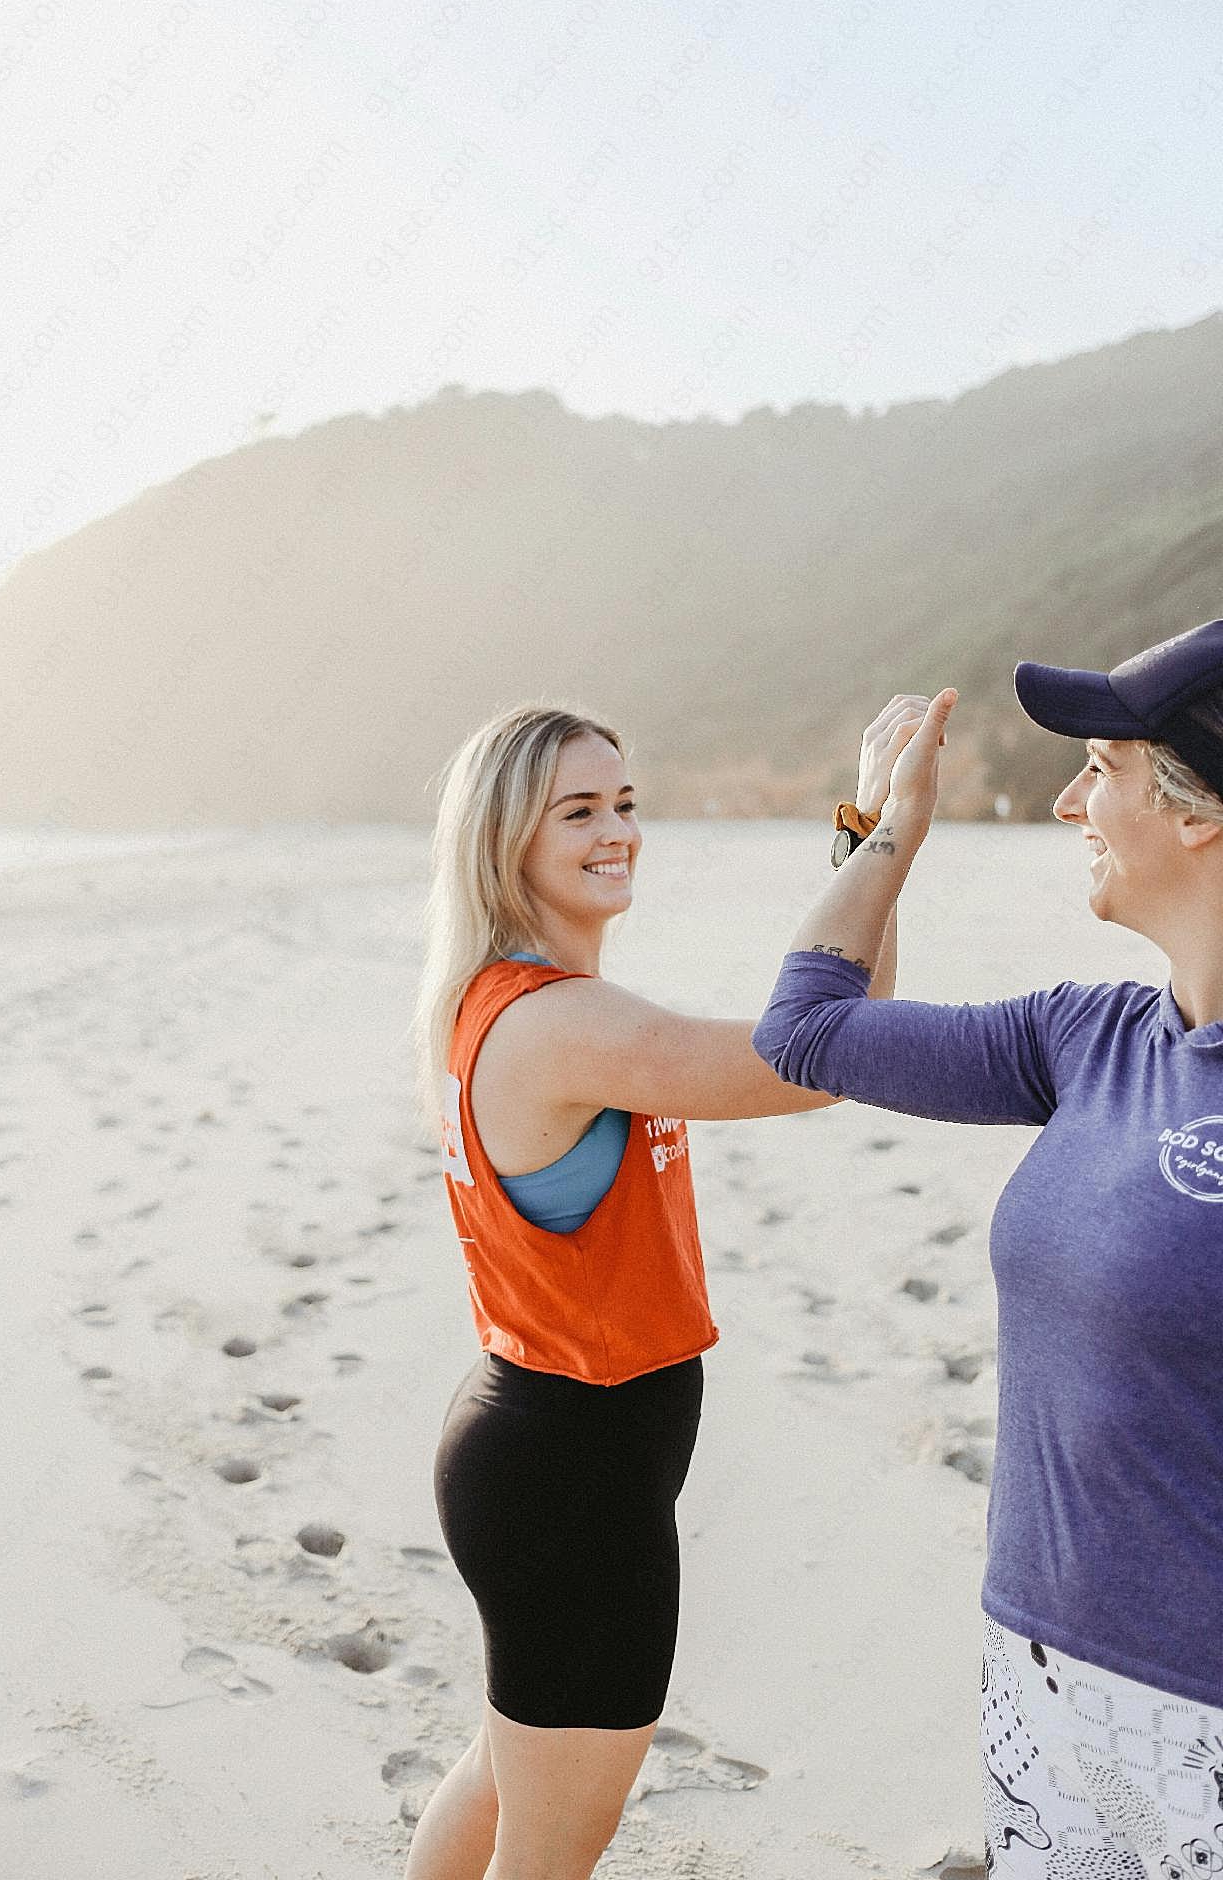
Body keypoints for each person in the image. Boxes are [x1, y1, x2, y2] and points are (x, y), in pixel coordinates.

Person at [405, 695, 927, 1880]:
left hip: (542, 1451)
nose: (616, 830)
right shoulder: (560, 1025)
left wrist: (865, 842)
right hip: (570, 1480)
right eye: (577, 810)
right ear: (505, 842)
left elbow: (841, 1030)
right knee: (544, 1855)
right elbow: (814, 1061)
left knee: (505, 1773)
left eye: (624, 803)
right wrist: (886, 835)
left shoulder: (509, 1000)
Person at [750, 620, 1223, 1878]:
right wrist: (877, 826)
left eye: (1103, 767)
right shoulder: (1088, 1038)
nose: (1067, 796)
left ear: (1199, 814)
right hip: (1042, 1667)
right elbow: (806, 1031)